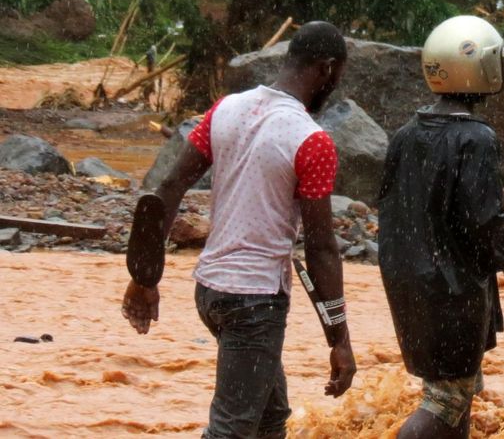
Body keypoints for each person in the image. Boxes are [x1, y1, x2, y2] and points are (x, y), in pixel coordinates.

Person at [122, 22, 357, 438]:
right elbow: (321, 248)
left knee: (269, 418)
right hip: (255, 302)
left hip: (210, 292)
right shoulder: (312, 140)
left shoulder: (225, 109)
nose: (333, 87)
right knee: (230, 431)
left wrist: (144, 277)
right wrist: (339, 339)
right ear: (325, 69)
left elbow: (168, 188)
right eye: (336, 78)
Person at [378, 15, 504, 439]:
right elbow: (484, 223)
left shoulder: (407, 134)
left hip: (412, 282)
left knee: (453, 393)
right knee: (445, 401)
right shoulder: (476, 139)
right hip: (453, 291)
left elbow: (398, 214)